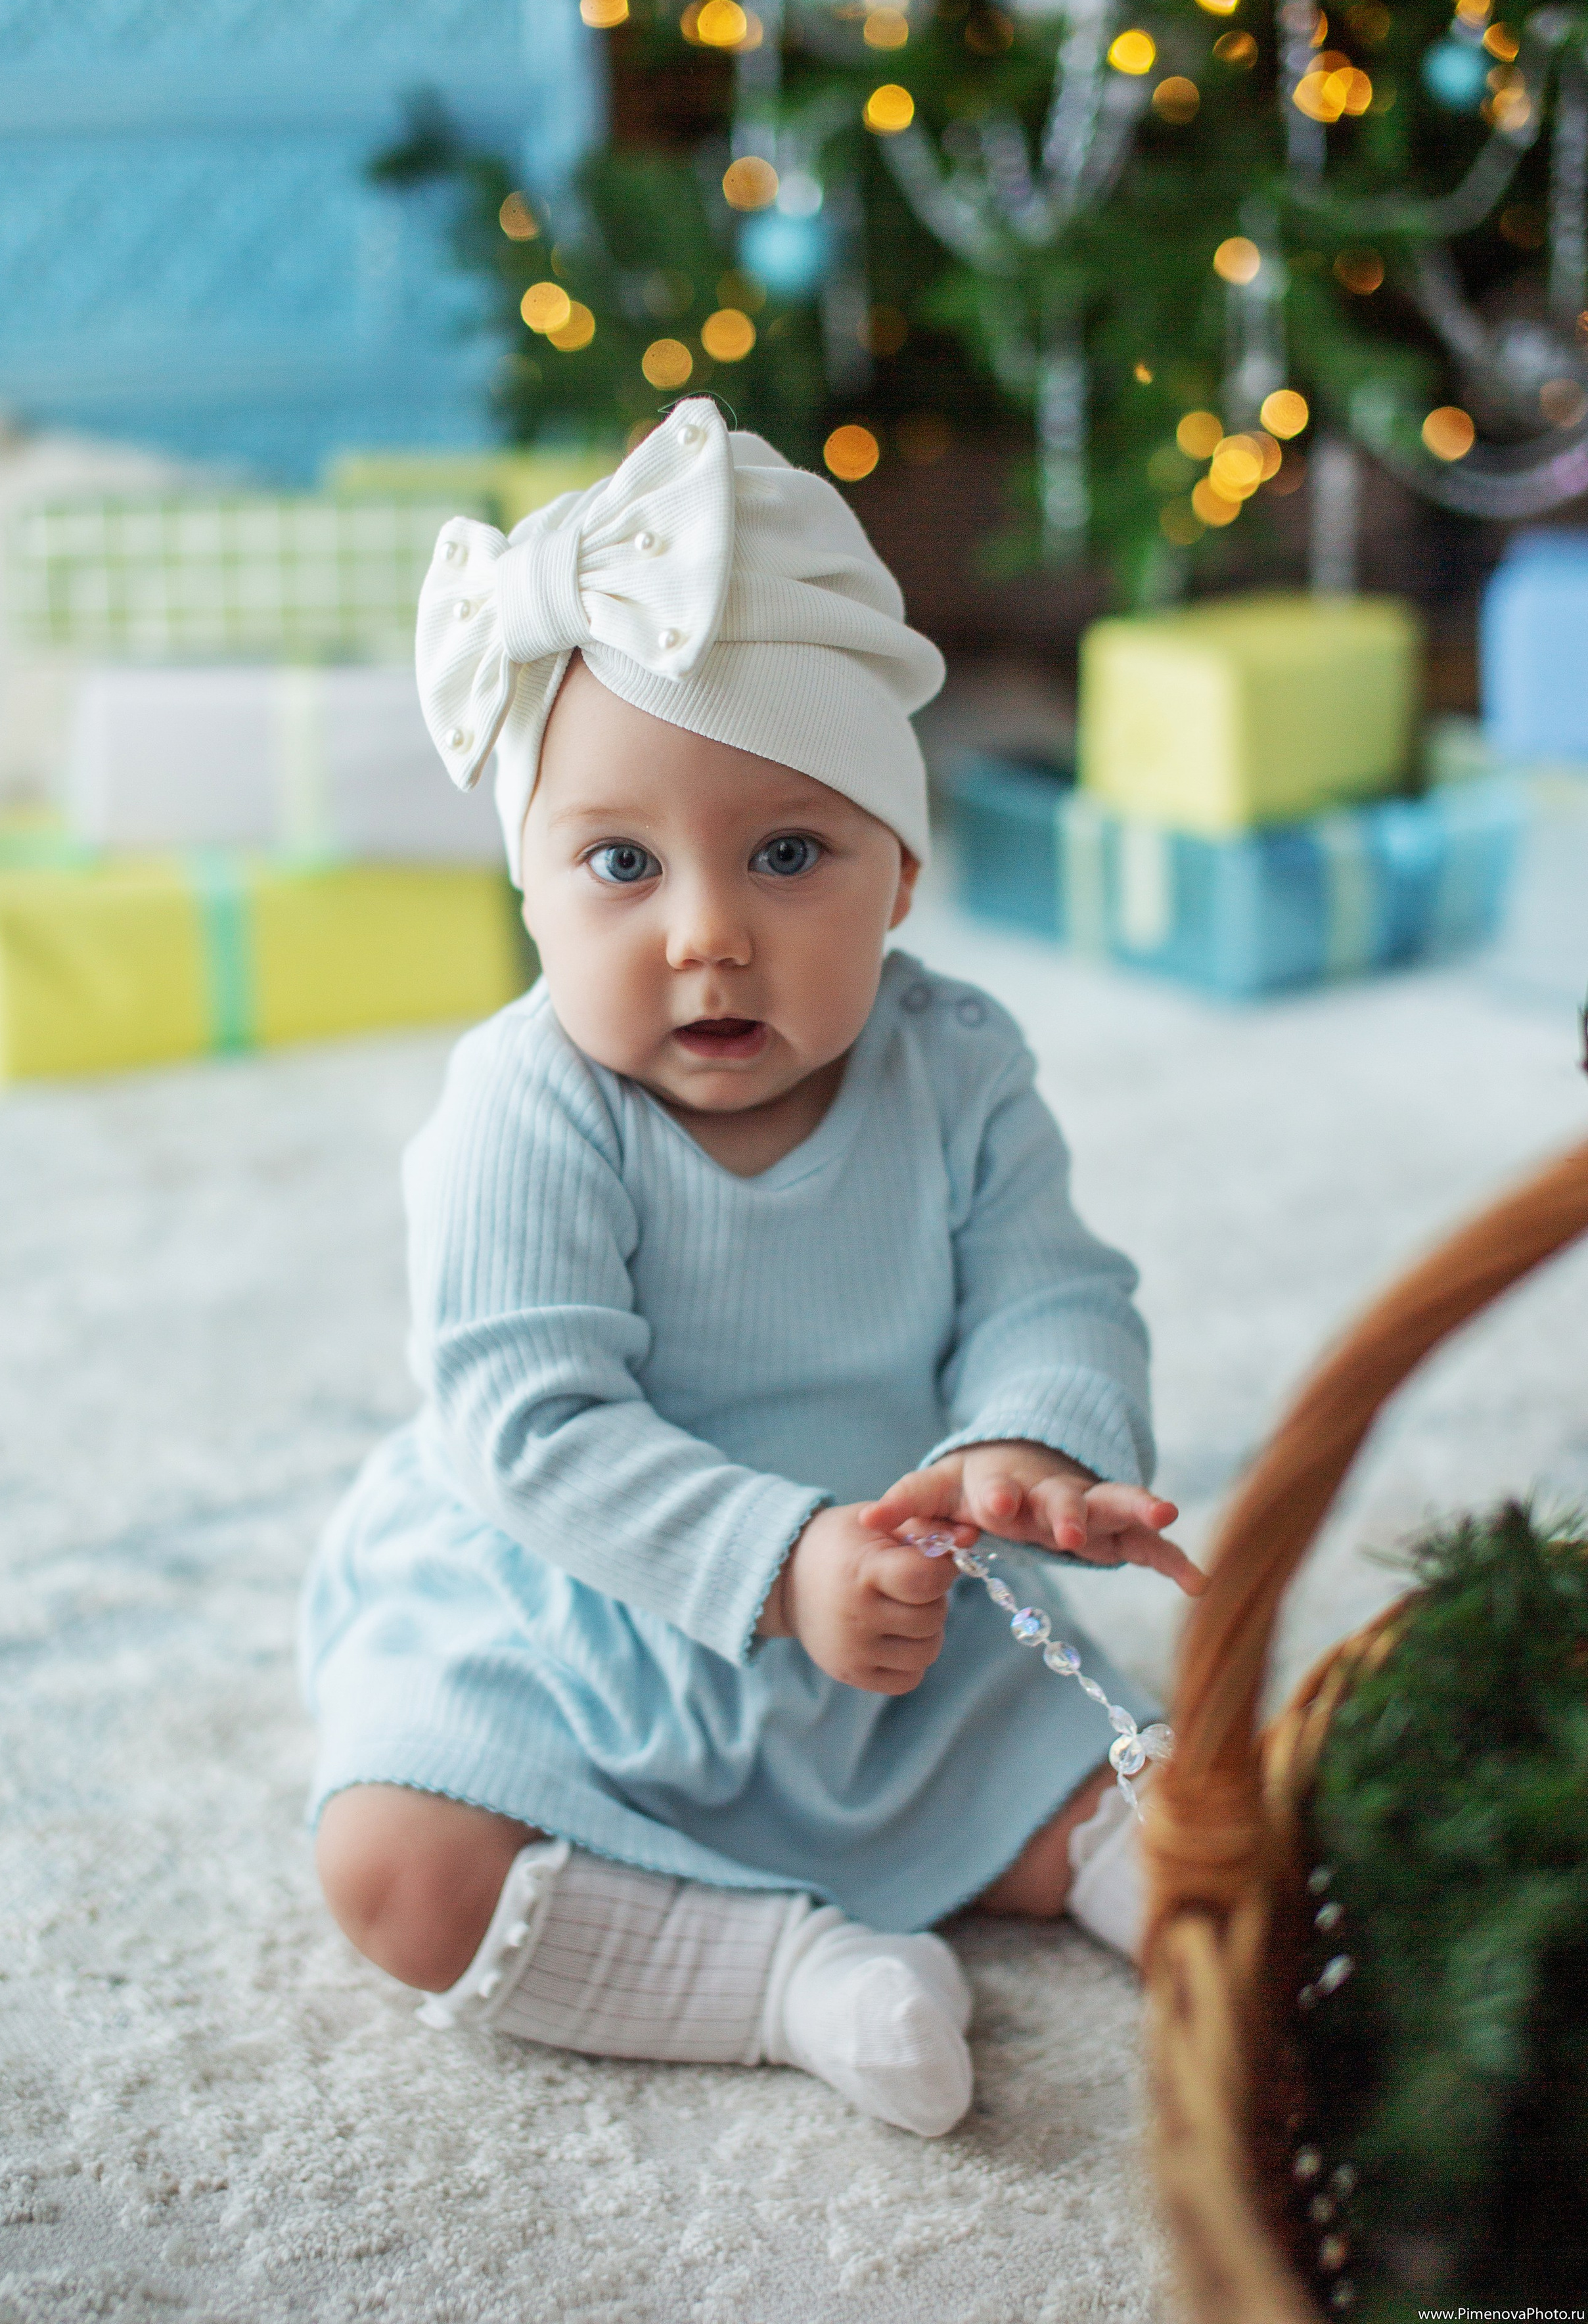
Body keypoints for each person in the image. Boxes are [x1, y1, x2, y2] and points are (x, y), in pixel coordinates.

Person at [298, 398, 1204, 2138]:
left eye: (788, 854)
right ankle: (782, 1983)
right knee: (398, 1871)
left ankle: (1086, 1860)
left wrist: (1031, 1451)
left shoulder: (962, 1067)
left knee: (1144, 1792)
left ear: (901, 874)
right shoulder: (525, 1107)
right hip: (589, 1616)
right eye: (619, 865)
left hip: (901, 1619)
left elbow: (1054, 1291)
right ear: (533, 896)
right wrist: (776, 1558)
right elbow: (530, 1425)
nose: (706, 931)